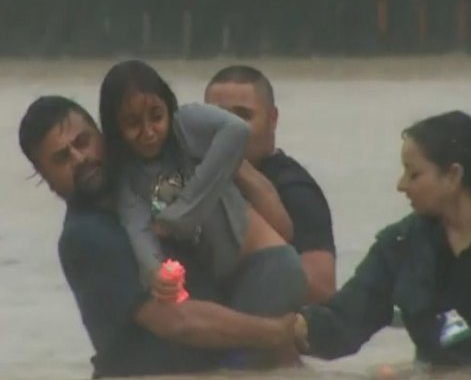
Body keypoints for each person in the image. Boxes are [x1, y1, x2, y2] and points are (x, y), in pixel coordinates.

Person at [18, 95, 305, 378]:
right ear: (44, 175)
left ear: (103, 135)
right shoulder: (86, 237)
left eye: (82, 142)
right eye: (61, 157)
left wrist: (225, 159)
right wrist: (278, 331)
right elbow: (178, 323)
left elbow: (280, 233)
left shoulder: (152, 186)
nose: (80, 158)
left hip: (224, 360)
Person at [291, 111, 471, 377]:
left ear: (453, 175)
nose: (401, 185)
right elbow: (345, 321)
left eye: (414, 173)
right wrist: (291, 327)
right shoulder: (400, 244)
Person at [98, 60, 304, 309]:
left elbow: (237, 130)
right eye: (133, 124)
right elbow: (138, 229)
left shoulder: (186, 125)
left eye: (156, 116)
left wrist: (183, 211)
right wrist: (155, 274)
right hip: (221, 282)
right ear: (115, 128)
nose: (149, 132)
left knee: (248, 344)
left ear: (168, 107)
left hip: (266, 264)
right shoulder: (128, 178)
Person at [205, 65, 336, 303]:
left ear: (272, 119)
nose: (228, 128)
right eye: (216, 116)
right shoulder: (189, 176)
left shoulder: (295, 190)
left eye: (243, 116)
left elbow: (321, 288)